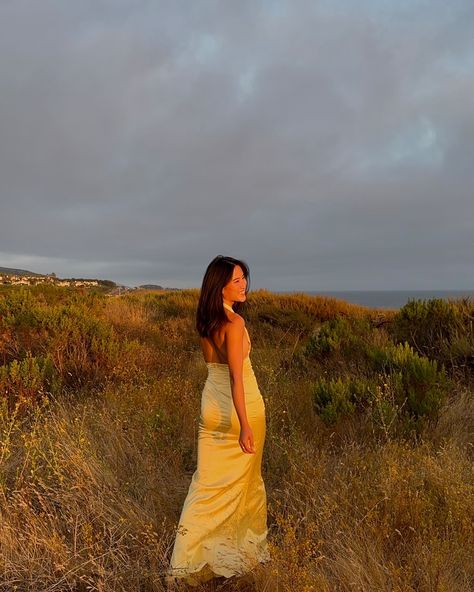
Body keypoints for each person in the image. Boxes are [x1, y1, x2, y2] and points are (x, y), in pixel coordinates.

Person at [166, 255, 270, 587]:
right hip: (241, 408)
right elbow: (238, 379)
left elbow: (218, 370)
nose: (244, 285)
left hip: (210, 405)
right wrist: (245, 426)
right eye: (237, 280)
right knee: (243, 484)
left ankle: (186, 561)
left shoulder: (206, 319)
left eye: (244, 278)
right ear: (220, 286)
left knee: (206, 485)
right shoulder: (234, 324)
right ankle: (234, 551)